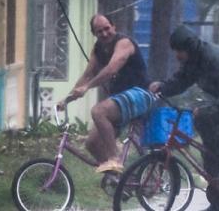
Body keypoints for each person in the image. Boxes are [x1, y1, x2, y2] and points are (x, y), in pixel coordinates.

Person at [150, 26, 219, 211]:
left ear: (189, 48)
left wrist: (209, 109)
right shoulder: (195, 60)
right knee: (209, 150)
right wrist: (162, 87)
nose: (177, 55)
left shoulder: (217, 60)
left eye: (179, 51)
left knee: (204, 119)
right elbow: (182, 80)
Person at [56, 14, 151, 174]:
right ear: (94, 34)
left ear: (114, 26)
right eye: (99, 31)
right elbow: (87, 75)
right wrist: (67, 99)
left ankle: (114, 159)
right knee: (92, 144)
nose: (105, 34)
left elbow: (111, 68)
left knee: (99, 111)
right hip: (119, 100)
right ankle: (121, 180)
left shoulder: (124, 43)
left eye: (107, 28)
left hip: (140, 94)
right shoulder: (98, 49)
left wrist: (87, 87)